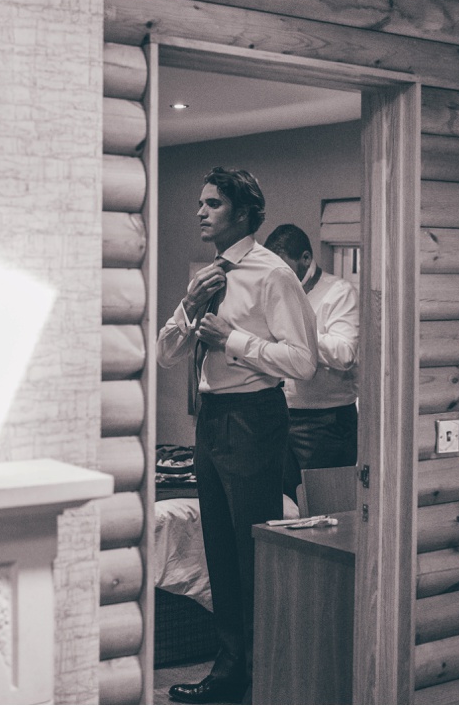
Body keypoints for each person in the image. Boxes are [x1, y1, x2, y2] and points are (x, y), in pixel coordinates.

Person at [157, 167, 317, 704]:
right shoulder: (207, 275)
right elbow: (164, 355)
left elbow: (304, 362)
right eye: (200, 203)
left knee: (251, 554)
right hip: (213, 420)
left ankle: (263, 673)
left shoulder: (274, 275)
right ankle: (230, 674)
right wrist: (188, 307)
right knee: (220, 551)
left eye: (213, 204)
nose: (200, 212)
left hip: (255, 418)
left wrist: (235, 340)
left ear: (243, 212)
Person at [263, 224, 360, 510]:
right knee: (285, 511)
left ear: (305, 258)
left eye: (284, 267)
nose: (278, 275)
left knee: (326, 514)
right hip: (281, 417)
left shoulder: (339, 293)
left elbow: (345, 354)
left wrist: (300, 337)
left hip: (327, 424)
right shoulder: (276, 294)